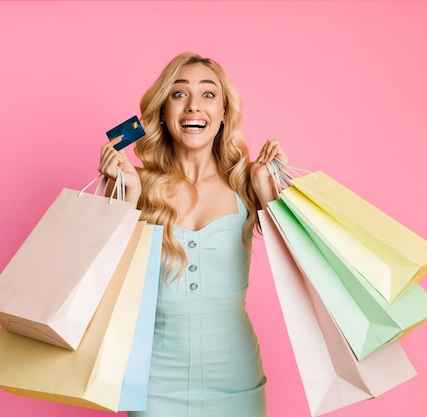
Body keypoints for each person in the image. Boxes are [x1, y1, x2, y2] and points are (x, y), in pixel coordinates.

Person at [98, 52, 287, 417]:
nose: (193, 106)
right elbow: (103, 279)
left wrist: (269, 193)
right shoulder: (140, 183)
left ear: (223, 114)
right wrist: (122, 199)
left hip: (236, 377)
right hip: (152, 380)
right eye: (179, 94)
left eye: (208, 94)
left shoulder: (247, 181)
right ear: (164, 112)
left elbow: (299, 267)